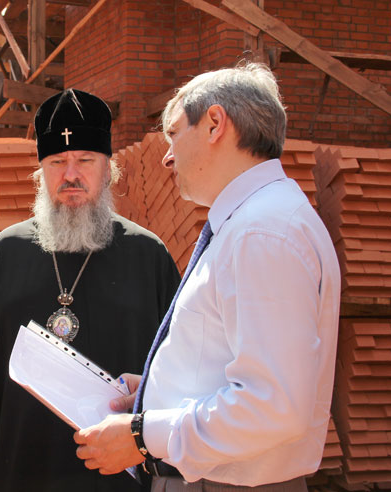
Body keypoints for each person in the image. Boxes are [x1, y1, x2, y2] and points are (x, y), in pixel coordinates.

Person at [74, 63, 341, 492]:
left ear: (215, 123)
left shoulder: (262, 233)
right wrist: (156, 393)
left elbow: (272, 406)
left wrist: (143, 435)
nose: (167, 156)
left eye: (174, 134)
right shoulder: (255, 222)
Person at [0, 89, 180, 492]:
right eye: (57, 162)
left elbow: (178, 371)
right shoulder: (6, 252)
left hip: (117, 476)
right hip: (22, 470)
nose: (70, 175)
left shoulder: (148, 255)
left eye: (85, 160)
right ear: (40, 173)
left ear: (108, 169)